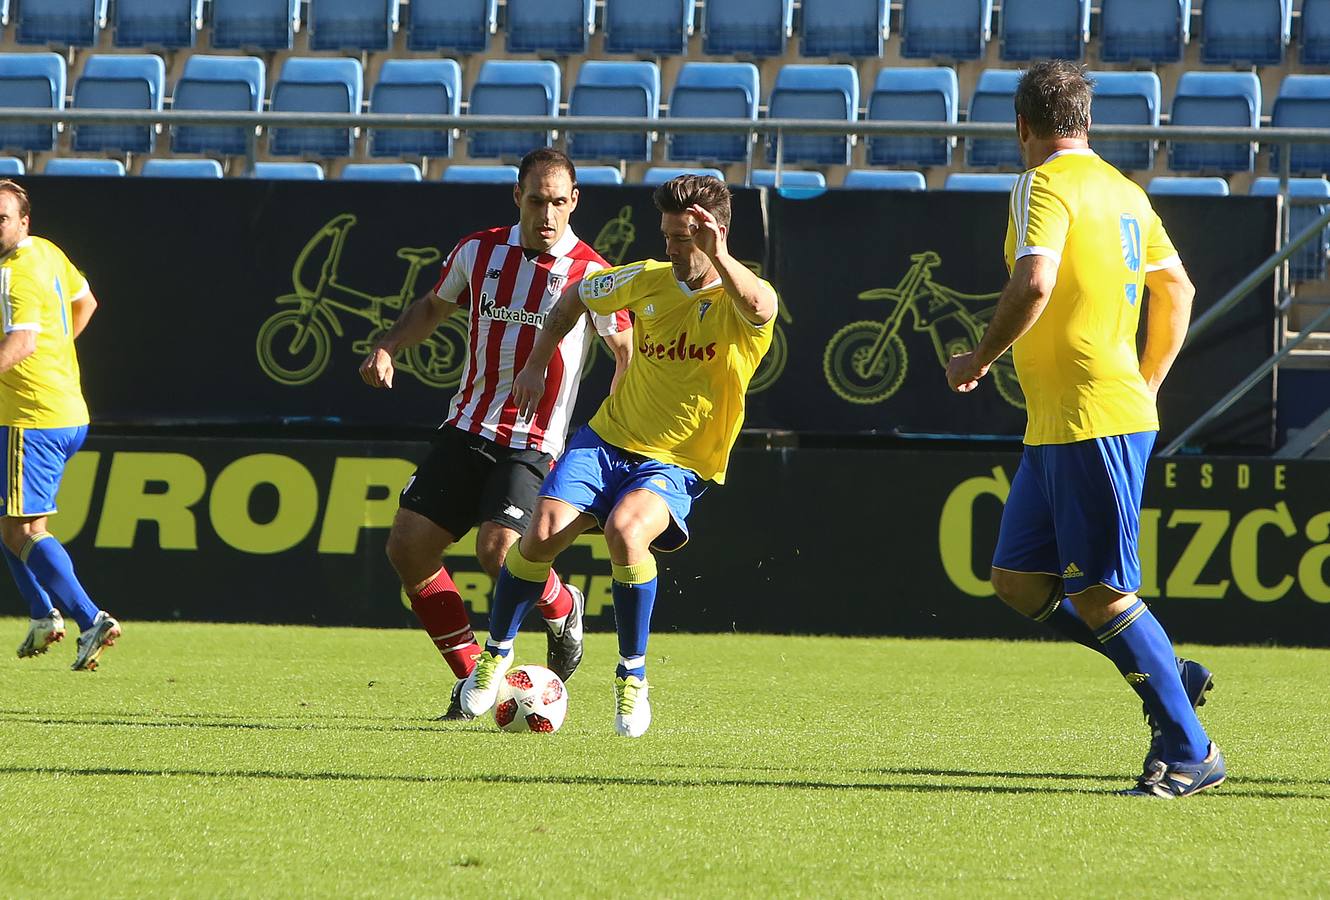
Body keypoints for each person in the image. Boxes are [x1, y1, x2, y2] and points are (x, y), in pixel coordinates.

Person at [945, 61, 1222, 798]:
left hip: (1093, 417)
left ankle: (1192, 750)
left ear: (1022, 127)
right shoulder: (1125, 191)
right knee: (1016, 580)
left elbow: (1033, 281)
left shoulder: (1043, 184)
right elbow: (1179, 287)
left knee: (1098, 591)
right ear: (1087, 121)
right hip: (1062, 422)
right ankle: (1169, 671)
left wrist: (978, 358)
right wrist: (1153, 378)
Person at [457, 174, 778, 737]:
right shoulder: (648, 279)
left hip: (677, 460)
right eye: (669, 237)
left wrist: (718, 253)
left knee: (627, 533)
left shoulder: (740, 298)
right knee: (539, 533)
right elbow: (579, 292)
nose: (674, 250)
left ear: (714, 232)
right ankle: (496, 653)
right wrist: (536, 361)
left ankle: (632, 678)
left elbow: (760, 304)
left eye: (686, 238)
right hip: (607, 440)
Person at [360, 149, 633, 720]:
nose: (548, 214)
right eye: (537, 200)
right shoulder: (479, 250)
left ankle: (563, 605)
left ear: (574, 202)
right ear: (518, 197)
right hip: (465, 423)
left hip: (534, 439)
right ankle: (472, 685)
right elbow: (433, 307)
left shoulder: (592, 272)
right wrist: (388, 345)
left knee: (498, 551)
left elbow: (625, 352)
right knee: (407, 548)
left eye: (559, 202)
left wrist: (619, 430)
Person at [0, 179, 120, 671]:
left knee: (22, 529)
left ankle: (89, 618)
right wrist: (59, 345)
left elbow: (22, 343)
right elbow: (86, 301)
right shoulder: (47, 251)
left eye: (1, 217)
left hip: (32, 419)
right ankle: (40, 612)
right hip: (66, 411)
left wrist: (42, 348)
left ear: (23, 222)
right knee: (10, 521)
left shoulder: (15, 273)